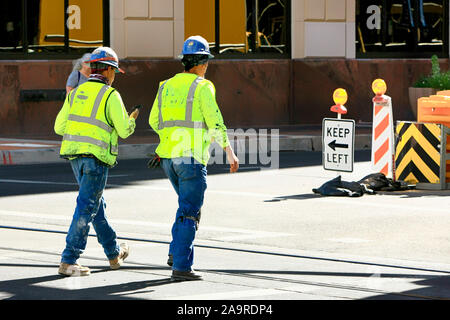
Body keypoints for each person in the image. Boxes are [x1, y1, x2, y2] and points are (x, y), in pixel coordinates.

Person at [149, 35, 239, 281]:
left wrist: (170, 138)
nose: (207, 67)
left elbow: (153, 121)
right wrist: (229, 151)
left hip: (168, 158)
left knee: (184, 206)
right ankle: (181, 267)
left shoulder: (165, 86)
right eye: (207, 62)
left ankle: (173, 251)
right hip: (191, 159)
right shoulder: (202, 86)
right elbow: (215, 122)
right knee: (190, 211)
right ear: (201, 63)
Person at [54, 47, 140, 276]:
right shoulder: (111, 95)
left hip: (74, 157)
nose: (114, 77)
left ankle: (113, 254)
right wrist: (131, 120)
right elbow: (124, 131)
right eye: (115, 72)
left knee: (95, 207)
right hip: (96, 159)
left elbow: (59, 127)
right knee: (86, 207)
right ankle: (68, 260)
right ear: (109, 71)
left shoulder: (75, 94)